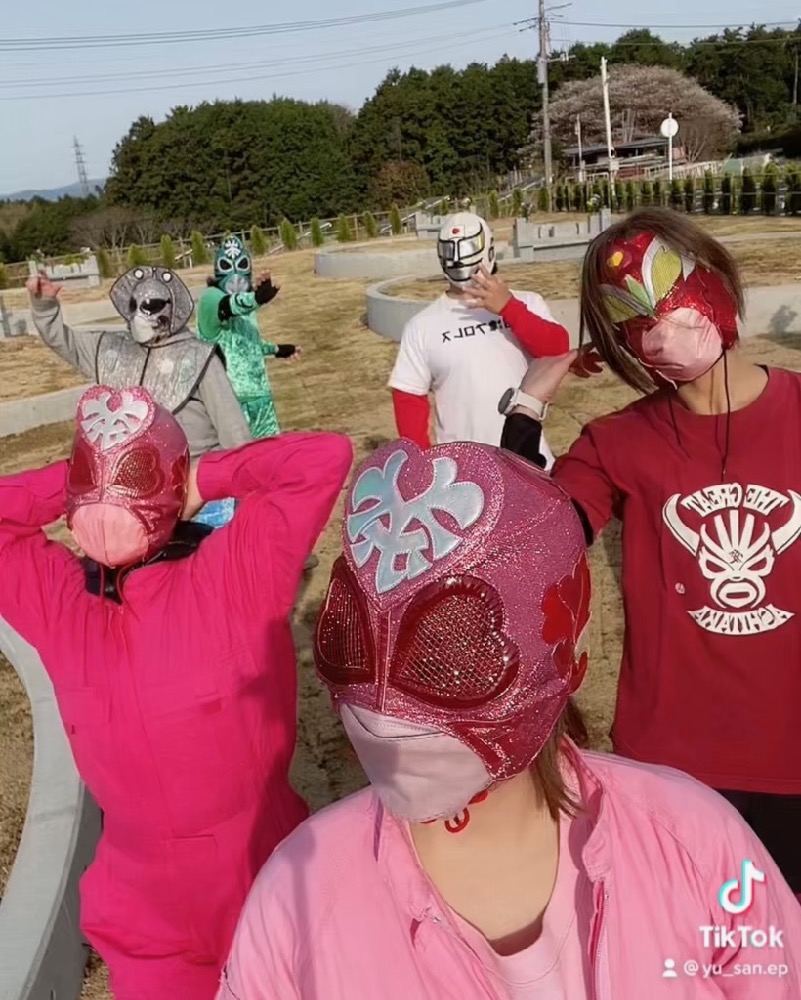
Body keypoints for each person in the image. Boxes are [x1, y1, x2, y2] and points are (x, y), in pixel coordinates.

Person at [216, 440, 801, 999]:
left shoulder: (695, 843)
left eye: (453, 654)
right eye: (354, 644)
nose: (387, 711)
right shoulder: (299, 897)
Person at [0, 383, 352, 999]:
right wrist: (127, 477)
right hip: (182, 910)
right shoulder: (227, 577)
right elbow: (316, 460)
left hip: (236, 893)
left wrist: (161, 479)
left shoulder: (225, 576)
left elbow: (325, 457)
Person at [498, 207, 801, 900]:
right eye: (631, 320)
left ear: (715, 276)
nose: (659, 329)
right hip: (673, 764)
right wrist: (528, 404)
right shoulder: (616, 443)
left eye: (670, 293)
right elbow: (528, 547)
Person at [27, 265, 252, 529]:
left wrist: (249, 498)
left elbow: (235, 432)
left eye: (151, 306)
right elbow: (63, 341)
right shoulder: (114, 350)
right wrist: (44, 306)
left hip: (202, 498)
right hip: (137, 502)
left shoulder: (200, 358)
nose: (140, 314)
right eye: (134, 305)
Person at [388, 212, 569, 467]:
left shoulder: (527, 302)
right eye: (451, 250)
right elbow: (409, 397)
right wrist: (421, 465)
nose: (457, 258)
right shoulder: (422, 326)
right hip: (463, 470)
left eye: (466, 248)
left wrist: (509, 308)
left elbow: (557, 349)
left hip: (529, 459)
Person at [197, 235, 300, 440]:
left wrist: (278, 350)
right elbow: (230, 305)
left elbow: (246, 343)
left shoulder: (248, 308)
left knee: (272, 453)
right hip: (231, 405)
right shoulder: (210, 299)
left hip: (261, 399)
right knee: (240, 456)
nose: (235, 277)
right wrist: (256, 298)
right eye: (227, 266)